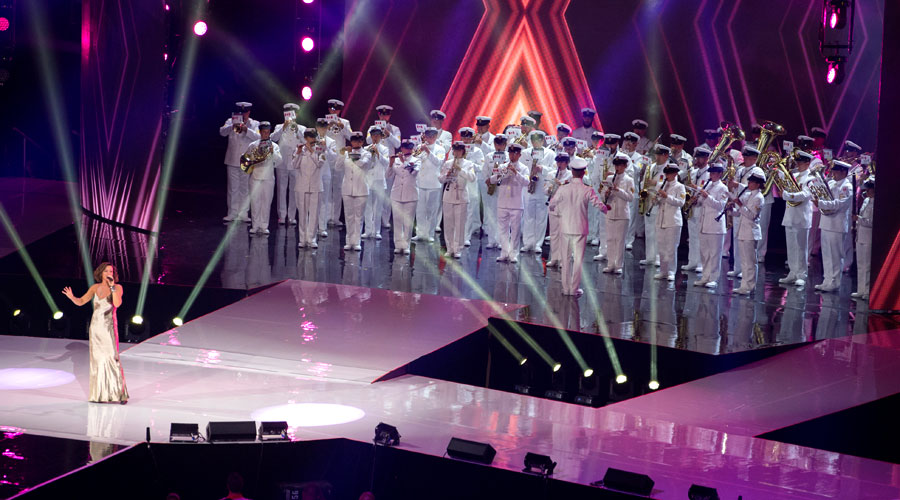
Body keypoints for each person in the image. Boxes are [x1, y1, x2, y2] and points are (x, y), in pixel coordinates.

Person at [62, 262, 128, 403]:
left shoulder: (117, 287)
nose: (109, 273)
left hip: (108, 327)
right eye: (106, 271)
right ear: (101, 273)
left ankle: (119, 394)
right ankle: (100, 395)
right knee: (98, 361)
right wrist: (72, 297)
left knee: (112, 358)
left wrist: (112, 287)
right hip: (96, 328)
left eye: (111, 271)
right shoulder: (95, 287)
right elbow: (81, 302)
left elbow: (117, 304)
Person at [548, 161, 607, 296]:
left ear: (572, 171)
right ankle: (574, 289)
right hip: (580, 228)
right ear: (583, 172)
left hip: (565, 227)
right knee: (578, 260)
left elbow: (552, 203)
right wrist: (606, 209)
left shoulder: (563, 188)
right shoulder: (587, 189)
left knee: (565, 258)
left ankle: (565, 288)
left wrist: (558, 209)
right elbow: (598, 204)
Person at [814, 160, 853, 292]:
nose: (833, 174)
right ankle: (827, 280)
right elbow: (822, 195)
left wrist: (821, 203)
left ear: (843, 172)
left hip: (837, 224)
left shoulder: (847, 186)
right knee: (826, 253)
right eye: (833, 171)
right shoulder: (831, 183)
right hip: (826, 222)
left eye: (836, 171)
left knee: (836, 254)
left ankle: (835, 281)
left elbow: (839, 204)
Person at [219, 102, 260, 223]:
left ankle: (243, 213)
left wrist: (247, 129)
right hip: (232, 159)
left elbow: (258, 138)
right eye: (241, 113)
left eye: (246, 112)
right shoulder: (230, 121)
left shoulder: (254, 123)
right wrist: (232, 125)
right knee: (233, 188)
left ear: (249, 112)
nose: (243, 115)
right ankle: (232, 213)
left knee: (245, 187)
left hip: (247, 159)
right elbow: (222, 132)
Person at [779, 150, 814, 287]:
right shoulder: (793, 175)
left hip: (801, 216)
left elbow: (806, 195)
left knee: (801, 247)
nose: (798, 165)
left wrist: (787, 195)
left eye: (800, 162)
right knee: (791, 247)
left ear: (807, 163)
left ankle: (801, 274)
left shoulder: (810, 178)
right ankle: (792, 273)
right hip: (790, 215)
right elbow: (784, 185)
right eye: (797, 162)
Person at [693, 161, 729, 288]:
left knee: (714, 254)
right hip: (704, 224)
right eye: (711, 173)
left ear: (719, 174)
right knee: (704, 253)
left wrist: (707, 196)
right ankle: (705, 276)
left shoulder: (723, 188)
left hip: (715, 226)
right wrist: (696, 201)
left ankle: (713, 278)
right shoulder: (708, 186)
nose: (711, 175)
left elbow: (720, 206)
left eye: (714, 173)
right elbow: (702, 203)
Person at [492, 143, 529, 263]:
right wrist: (501, 174)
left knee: (515, 230)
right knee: (502, 229)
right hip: (502, 202)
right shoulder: (502, 166)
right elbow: (492, 179)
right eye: (510, 153)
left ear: (519, 155)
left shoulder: (524, 168)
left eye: (515, 153)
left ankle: (513, 253)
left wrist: (515, 173)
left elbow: (526, 182)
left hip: (516, 204)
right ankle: (504, 252)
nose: (512, 156)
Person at [439, 142, 476, 258]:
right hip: (448, 195)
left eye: (459, 150)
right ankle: (449, 248)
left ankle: (458, 248)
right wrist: (447, 174)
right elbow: (440, 179)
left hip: (461, 196)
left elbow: (472, 178)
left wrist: (460, 169)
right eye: (455, 150)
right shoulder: (447, 163)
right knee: (448, 224)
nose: (457, 152)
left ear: (463, 151)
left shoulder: (469, 164)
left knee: (459, 224)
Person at [600, 152, 635, 274]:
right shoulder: (609, 178)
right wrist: (606, 193)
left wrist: (617, 190)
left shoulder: (629, 180)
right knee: (610, 239)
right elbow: (602, 193)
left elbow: (630, 197)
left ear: (625, 166)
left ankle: (619, 265)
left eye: (620, 165)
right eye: (616, 165)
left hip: (622, 214)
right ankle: (610, 264)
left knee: (620, 240)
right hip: (610, 212)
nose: (617, 168)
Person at [292, 129, 327, 249]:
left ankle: (312, 239)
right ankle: (302, 239)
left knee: (314, 214)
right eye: (308, 137)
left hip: (316, 186)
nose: (310, 139)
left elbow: (320, 163)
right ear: (305, 138)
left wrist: (312, 151)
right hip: (301, 186)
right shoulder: (299, 149)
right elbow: (294, 165)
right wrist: (298, 152)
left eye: (312, 137)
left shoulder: (321, 149)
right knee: (302, 214)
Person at [339, 131, 373, 251]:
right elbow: (338, 167)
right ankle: (349, 241)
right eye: (353, 140)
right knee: (348, 216)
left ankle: (356, 241)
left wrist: (349, 155)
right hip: (347, 188)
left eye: (358, 140)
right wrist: (342, 154)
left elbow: (362, 164)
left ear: (362, 142)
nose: (355, 142)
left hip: (361, 189)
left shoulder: (367, 154)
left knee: (358, 216)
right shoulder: (347, 153)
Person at [246, 122, 282, 235]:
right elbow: (246, 160)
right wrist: (255, 155)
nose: (266, 134)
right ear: (260, 132)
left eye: (268, 132)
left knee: (266, 202)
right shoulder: (253, 145)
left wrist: (271, 152)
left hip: (268, 178)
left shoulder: (275, 146)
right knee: (255, 202)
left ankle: (264, 225)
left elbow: (280, 161)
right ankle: (255, 225)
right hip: (255, 176)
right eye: (264, 132)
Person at [520, 131, 554, 253]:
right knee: (528, 216)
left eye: (538, 140)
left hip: (542, 188)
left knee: (541, 217)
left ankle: (538, 244)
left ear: (543, 140)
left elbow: (553, 170)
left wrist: (542, 169)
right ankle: (527, 243)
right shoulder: (525, 153)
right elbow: (522, 168)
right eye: (534, 140)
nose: (536, 142)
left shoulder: (550, 153)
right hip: (528, 188)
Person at [732, 174, 765, 295]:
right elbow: (740, 213)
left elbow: (752, 215)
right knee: (744, 261)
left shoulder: (759, 197)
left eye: (751, 182)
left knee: (750, 261)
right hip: (743, 231)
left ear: (757, 184)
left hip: (751, 232)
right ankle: (744, 285)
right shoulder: (749, 195)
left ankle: (750, 286)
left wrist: (740, 205)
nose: (748, 184)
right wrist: (732, 210)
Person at [271, 103, 304, 225]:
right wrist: (283, 128)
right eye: (288, 113)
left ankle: (291, 216)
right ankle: (282, 215)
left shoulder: (302, 128)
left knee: (294, 190)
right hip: (282, 162)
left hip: (295, 163)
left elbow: (306, 141)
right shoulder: (279, 126)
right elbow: (273, 138)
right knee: (281, 188)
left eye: (292, 113)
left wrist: (297, 129)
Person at [412, 128, 446, 243]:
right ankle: (420, 233)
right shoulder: (419, 147)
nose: (429, 138)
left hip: (433, 183)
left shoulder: (440, 149)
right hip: (420, 182)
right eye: (427, 136)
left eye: (432, 136)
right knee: (420, 210)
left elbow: (439, 162)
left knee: (431, 210)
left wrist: (427, 151)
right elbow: (415, 160)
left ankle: (430, 233)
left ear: (436, 136)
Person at [653, 164, 686, 281]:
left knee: (671, 248)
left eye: (669, 174)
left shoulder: (680, 187)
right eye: (666, 174)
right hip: (661, 220)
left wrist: (667, 196)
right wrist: (656, 199)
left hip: (673, 221)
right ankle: (663, 270)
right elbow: (658, 202)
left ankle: (671, 271)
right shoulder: (662, 185)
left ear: (675, 174)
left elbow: (681, 202)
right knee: (661, 247)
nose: (667, 176)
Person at [387, 140, 420, 254]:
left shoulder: (417, 160)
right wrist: (391, 164)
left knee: (408, 221)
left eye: (409, 148)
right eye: (405, 147)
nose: (407, 150)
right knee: (397, 220)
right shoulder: (396, 160)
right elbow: (388, 175)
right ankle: (398, 244)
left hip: (410, 195)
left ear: (412, 149)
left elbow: (414, 172)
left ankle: (406, 245)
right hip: (396, 194)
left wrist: (403, 162)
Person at [681, 145, 711, 273]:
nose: (696, 160)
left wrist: (697, 194)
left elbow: (709, 192)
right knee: (692, 236)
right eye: (696, 157)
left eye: (699, 158)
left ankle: (700, 263)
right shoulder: (693, 172)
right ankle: (692, 261)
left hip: (703, 208)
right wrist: (689, 198)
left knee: (701, 238)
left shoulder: (710, 173)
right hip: (692, 207)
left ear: (706, 159)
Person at [373, 105, 402, 231]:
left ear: (389, 116)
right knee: (375, 191)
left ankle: (385, 219)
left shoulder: (395, 129)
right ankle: (374, 219)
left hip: (389, 163)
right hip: (376, 162)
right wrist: (377, 131)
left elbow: (398, 144)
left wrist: (389, 134)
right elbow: (369, 141)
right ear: (379, 115)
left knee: (388, 192)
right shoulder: (373, 128)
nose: (384, 117)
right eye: (381, 115)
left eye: (386, 115)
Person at [641, 144, 670, 267]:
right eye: (656, 154)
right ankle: (650, 257)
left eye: (659, 155)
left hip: (660, 203)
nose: (657, 157)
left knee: (659, 232)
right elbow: (644, 181)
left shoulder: (669, 169)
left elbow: (670, 185)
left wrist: (655, 183)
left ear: (666, 156)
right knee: (649, 231)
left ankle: (659, 257)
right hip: (649, 201)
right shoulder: (651, 167)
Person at [326, 99, 353, 227]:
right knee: (326, 187)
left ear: (340, 110)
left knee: (337, 188)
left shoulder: (345, 122)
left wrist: (342, 127)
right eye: (331, 109)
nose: (333, 111)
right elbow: (318, 136)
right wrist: (327, 126)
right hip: (326, 156)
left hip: (340, 157)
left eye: (336, 109)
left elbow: (352, 137)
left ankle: (335, 218)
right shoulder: (323, 121)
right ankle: (325, 217)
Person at [545, 153, 574, 268]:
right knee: (554, 234)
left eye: (562, 162)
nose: (559, 164)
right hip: (553, 207)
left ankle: (564, 259)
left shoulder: (571, 175)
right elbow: (545, 190)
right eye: (558, 162)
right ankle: (554, 258)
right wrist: (549, 189)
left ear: (567, 163)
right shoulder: (551, 174)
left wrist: (560, 185)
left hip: (565, 208)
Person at [362, 126, 390, 240]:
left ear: (381, 137)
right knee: (368, 207)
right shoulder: (365, 148)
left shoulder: (384, 149)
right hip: (368, 180)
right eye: (373, 135)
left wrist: (378, 153)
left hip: (379, 180)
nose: (375, 137)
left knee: (378, 207)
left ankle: (377, 231)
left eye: (377, 135)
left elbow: (386, 163)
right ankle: (368, 230)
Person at [480, 134, 508, 249]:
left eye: (501, 144)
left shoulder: (508, 157)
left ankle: (502, 241)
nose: (499, 146)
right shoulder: (489, 156)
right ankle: (492, 240)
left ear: (505, 145)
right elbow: (484, 171)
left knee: (503, 216)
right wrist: (488, 181)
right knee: (491, 214)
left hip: (504, 189)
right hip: (492, 188)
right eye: (497, 144)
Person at [459, 127, 485, 246]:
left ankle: (466, 236)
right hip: (458, 183)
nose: (465, 140)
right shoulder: (457, 149)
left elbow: (481, 167)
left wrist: (469, 163)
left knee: (469, 211)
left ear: (471, 138)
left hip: (471, 183)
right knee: (458, 211)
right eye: (463, 137)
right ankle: (458, 235)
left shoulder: (477, 151)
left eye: (468, 138)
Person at [314, 118, 336, 239]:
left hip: (326, 174)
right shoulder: (312, 139)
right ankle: (312, 225)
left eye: (324, 127)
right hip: (313, 173)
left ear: (327, 128)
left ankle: (322, 227)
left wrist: (326, 147)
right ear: (317, 127)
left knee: (324, 201)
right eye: (320, 127)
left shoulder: (331, 141)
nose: (322, 129)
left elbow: (333, 158)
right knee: (313, 200)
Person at [853, 178, 875, 300]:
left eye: (869, 189)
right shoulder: (866, 200)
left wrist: (859, 219)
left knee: (867, 265)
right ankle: (861, 290)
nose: (867, 191)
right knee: (860, 264)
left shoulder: (877, 202)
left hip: (868, 236)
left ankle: (867, 291)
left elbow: (872, 222)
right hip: (860, 235)